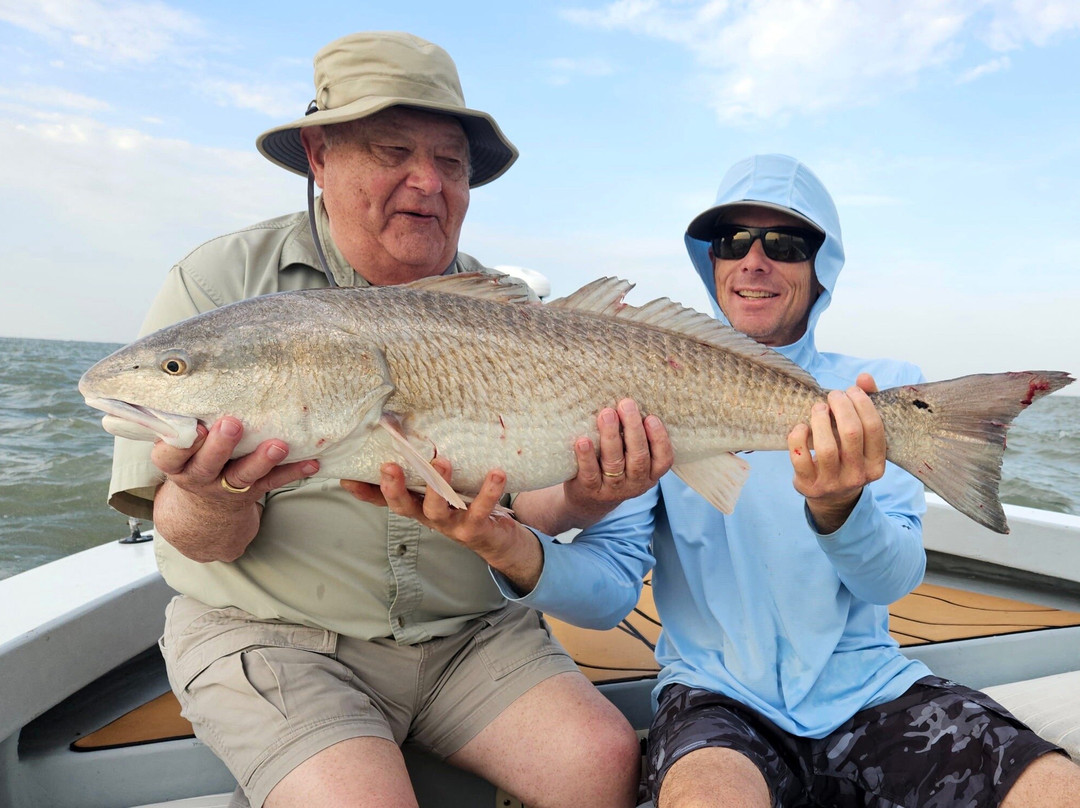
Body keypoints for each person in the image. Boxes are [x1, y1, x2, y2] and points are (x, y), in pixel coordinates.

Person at [107, 31, 671, 808]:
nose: (426, 182)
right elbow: (201, 538)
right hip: (275, 633)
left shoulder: (510, 311)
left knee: (602, 762)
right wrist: (211, 493)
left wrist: (591, 495)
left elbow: (523, 501)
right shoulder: (217, 287)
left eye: (449, 161)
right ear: (319, 156)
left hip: (470, 636)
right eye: (391, 150)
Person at [474, 154, 1080, 807]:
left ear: (824, 267)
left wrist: (840, 507)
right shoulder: (640, 391)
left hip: (871, 688)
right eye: (731, 241)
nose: (754, 261)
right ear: (710, 261)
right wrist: (515, 552)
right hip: (713, 699)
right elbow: (608, 599)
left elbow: (893, 579)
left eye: (786, 244)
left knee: (1055, 789)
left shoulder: (872, 387)